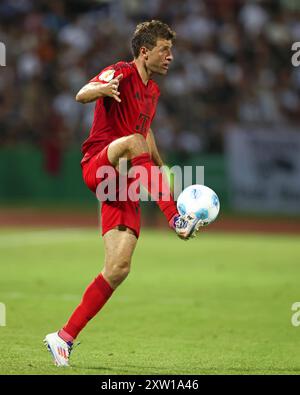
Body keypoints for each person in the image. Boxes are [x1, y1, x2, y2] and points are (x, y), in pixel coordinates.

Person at [44, 20, 201, 367]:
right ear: (145, 52)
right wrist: (101, 90)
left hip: (124, 180)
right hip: (98, 165)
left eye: (171, 50)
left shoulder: (153, 92)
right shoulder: (120, 72)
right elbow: (81, 93)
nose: (170, 56)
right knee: (132, 141)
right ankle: (176, 218)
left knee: (118, 268)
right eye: (165, 49)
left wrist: (162, 168)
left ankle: (63, 338)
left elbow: (145, 135)